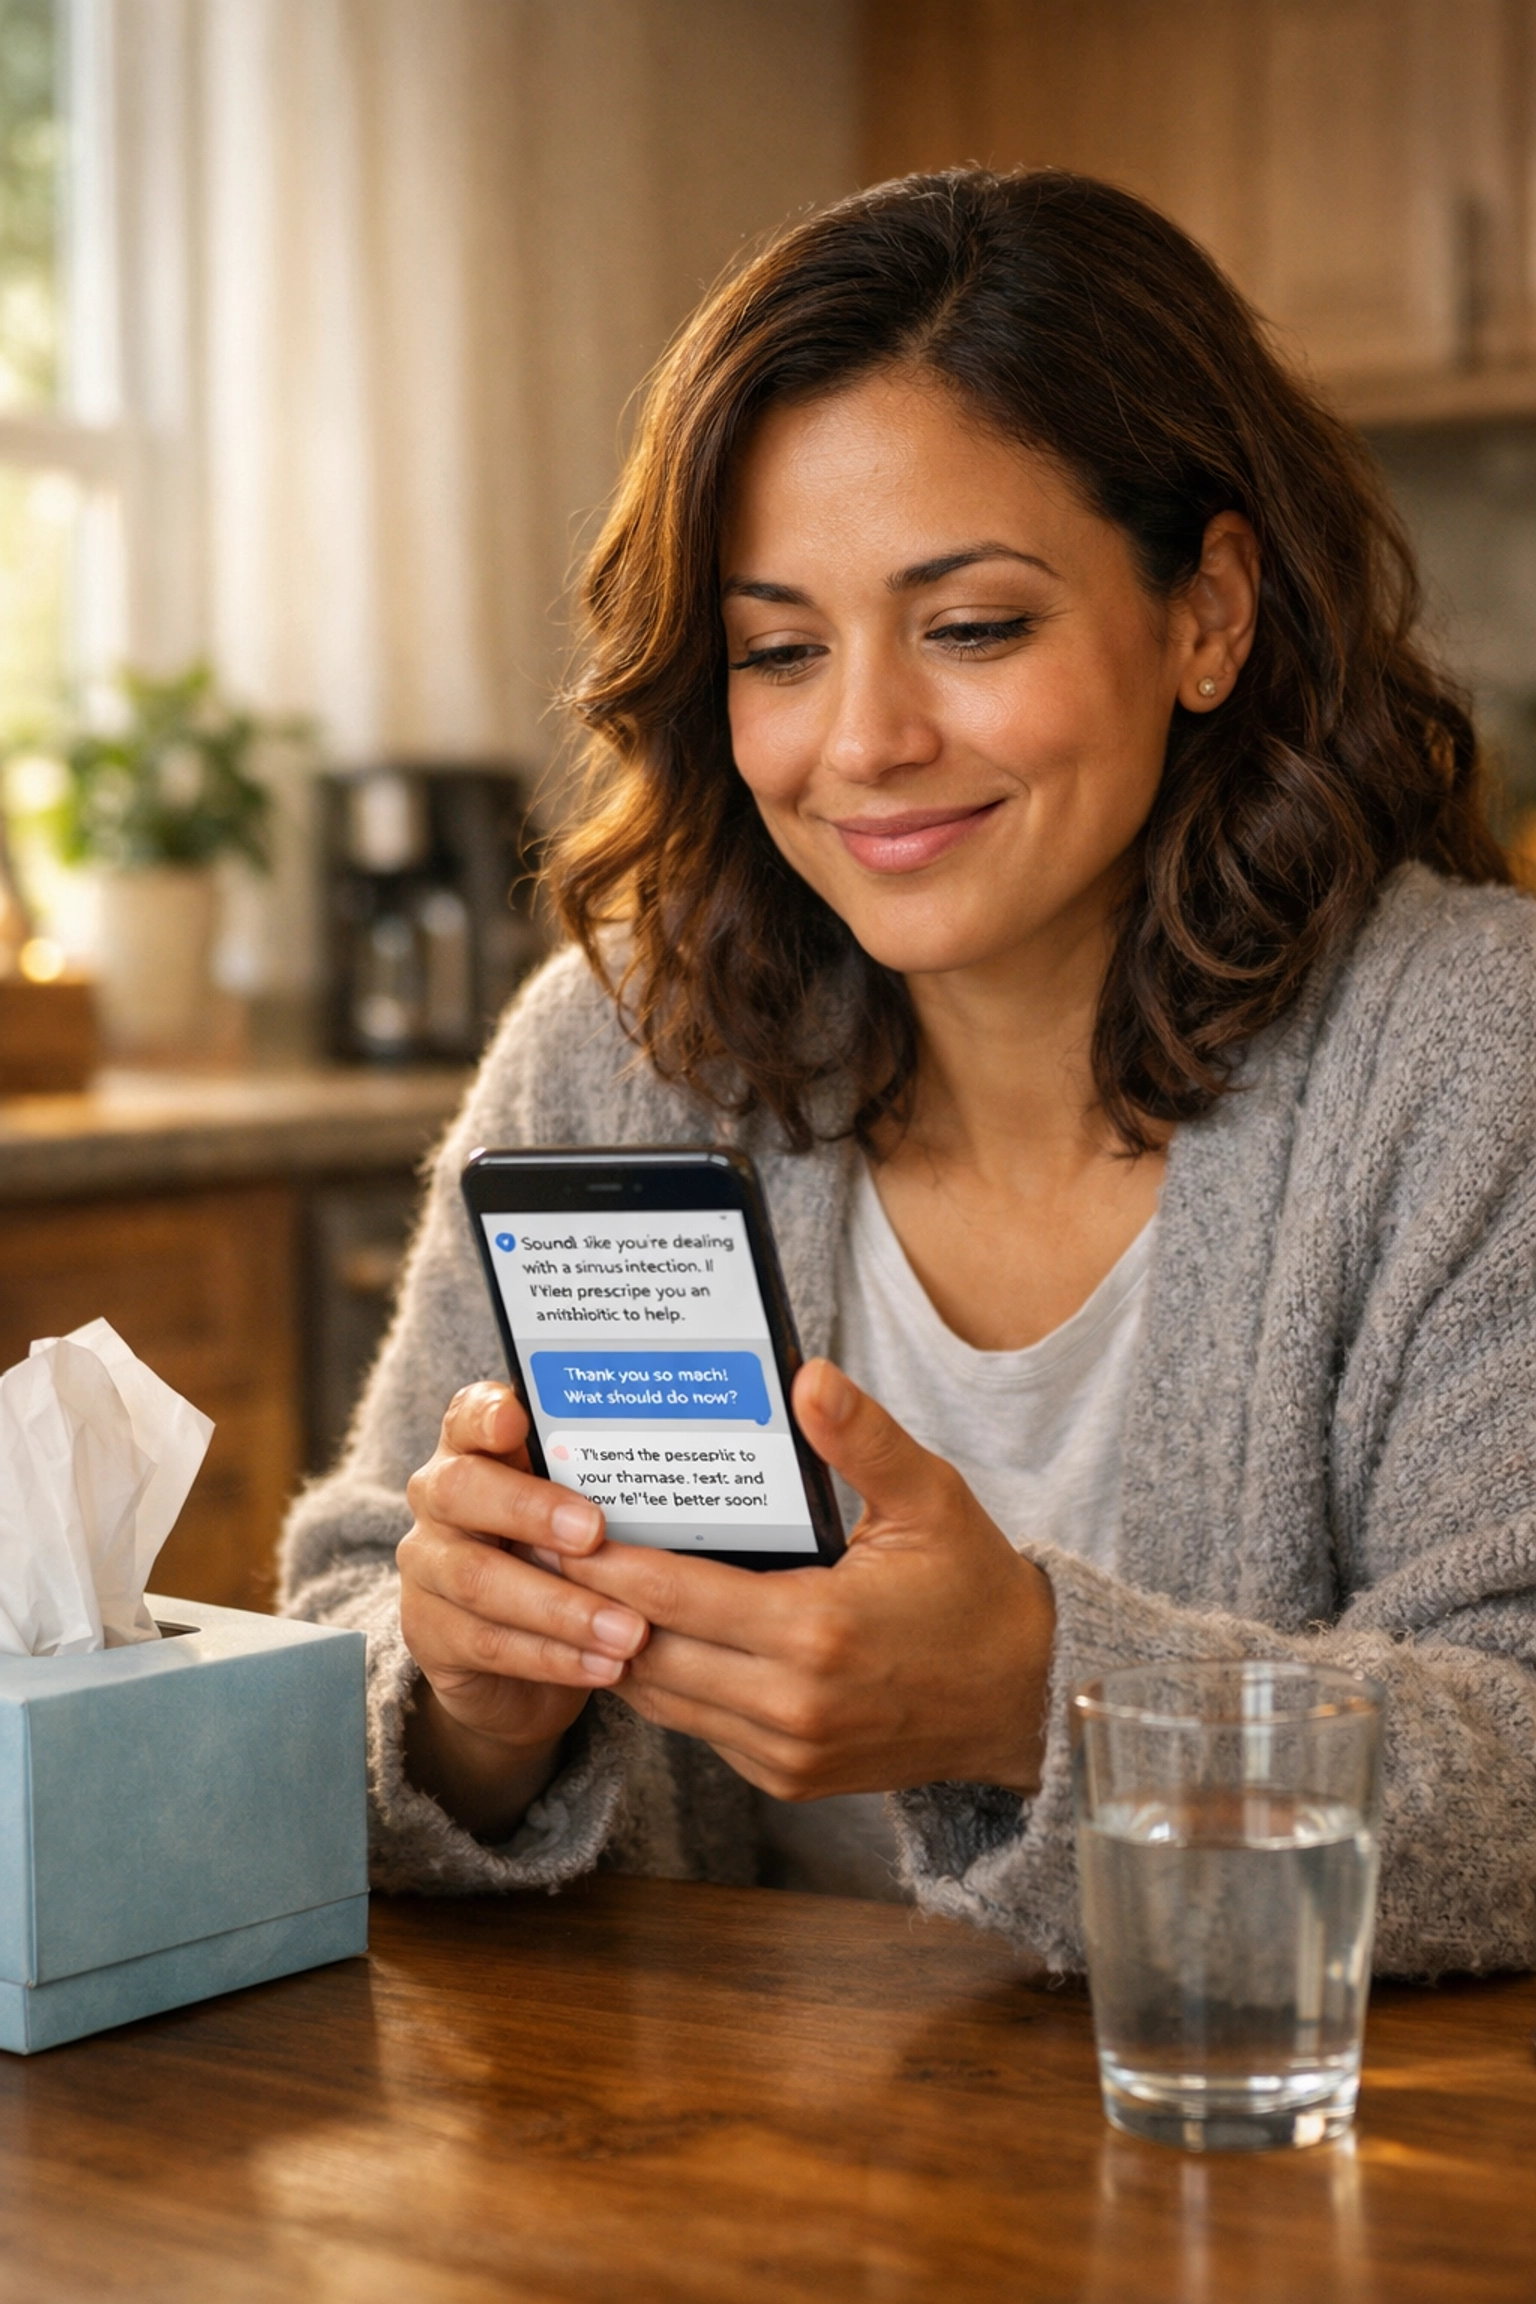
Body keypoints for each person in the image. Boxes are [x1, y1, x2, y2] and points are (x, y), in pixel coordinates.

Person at [282, 169, 1536, 1975]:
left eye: (972, 627)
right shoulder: (623, 1047)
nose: (862, 742)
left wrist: (1037, 1703)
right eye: (779, 651)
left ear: (1208, 614)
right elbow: (340, 1625)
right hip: (699, 2196)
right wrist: (479, 1700)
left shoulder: (1469, 1063)